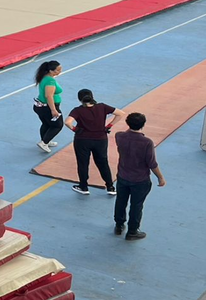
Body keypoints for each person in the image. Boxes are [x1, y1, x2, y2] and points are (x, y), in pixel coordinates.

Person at [113, 112, 166, 240]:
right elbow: (151, 163)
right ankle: (132, 231)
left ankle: (119, 225)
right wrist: (160, 177)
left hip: (122, 176)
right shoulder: (147, 142)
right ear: (143, 125)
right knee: (136, 205)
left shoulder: (119, 136)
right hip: (139, 179)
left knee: (120, 201)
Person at [65, 89, 125, 196]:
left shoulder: (77, 110)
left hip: (82, 140)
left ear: (79, 99)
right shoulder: (102, 107)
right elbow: (120, 113)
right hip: (100, 139)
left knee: (83, 163)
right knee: (103, 163)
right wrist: (109, 126)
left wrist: (75, 130)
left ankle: (83, 187)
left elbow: (67, 122)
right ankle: (110, 187)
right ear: (92, 96)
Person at [33, 60, 64, 153]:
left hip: (40, 106)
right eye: (57, 70)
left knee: (46, 124)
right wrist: (53, 110)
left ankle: (46, 140)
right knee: (58, 125)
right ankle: (44, 142)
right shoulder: (50, 80)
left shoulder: (44, 77)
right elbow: (48, 96)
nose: (60, 72)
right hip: (48, 107)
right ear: (51, 71)